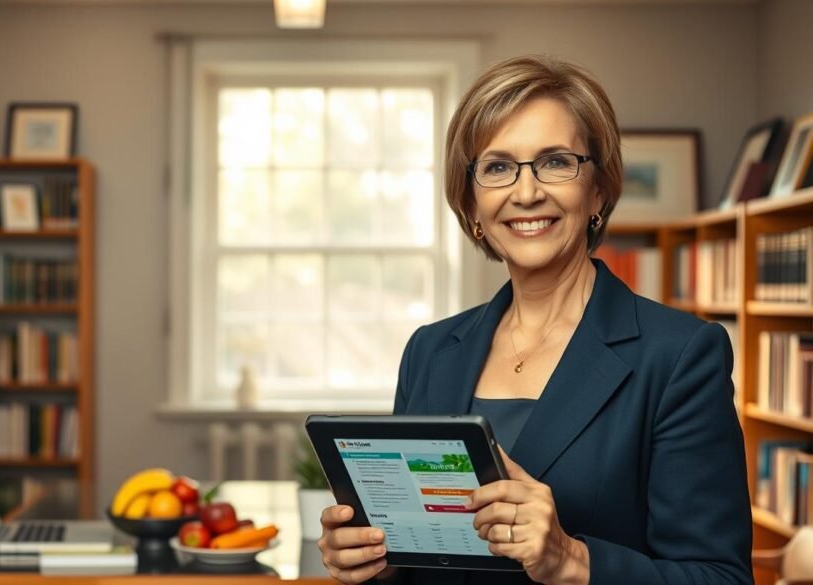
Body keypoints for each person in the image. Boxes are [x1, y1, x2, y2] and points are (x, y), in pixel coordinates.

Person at [316, 55, 753, 585]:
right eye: (498, 167)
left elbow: (720, 577)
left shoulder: (680, 355)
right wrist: (374, 563)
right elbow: (422, 559)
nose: (526, 193)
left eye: (556, 162)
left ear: (598, 189)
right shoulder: (429, 351)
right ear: (472, 205)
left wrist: (571, 559)